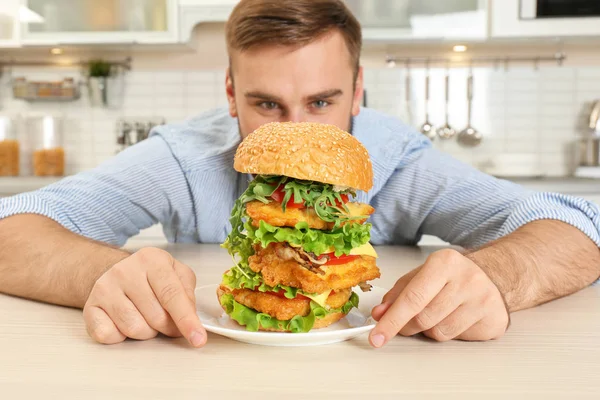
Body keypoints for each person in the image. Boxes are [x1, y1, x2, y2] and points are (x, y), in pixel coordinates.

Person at [0, 0, 599, 349]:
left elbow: (577, 225)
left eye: (320, 103)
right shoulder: (186, 157)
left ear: (358, 91)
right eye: (266, 105)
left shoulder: (396, 160)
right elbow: (13, 227)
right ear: (231, 95)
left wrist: (494, 276)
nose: (296, 134)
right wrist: (106, 273)